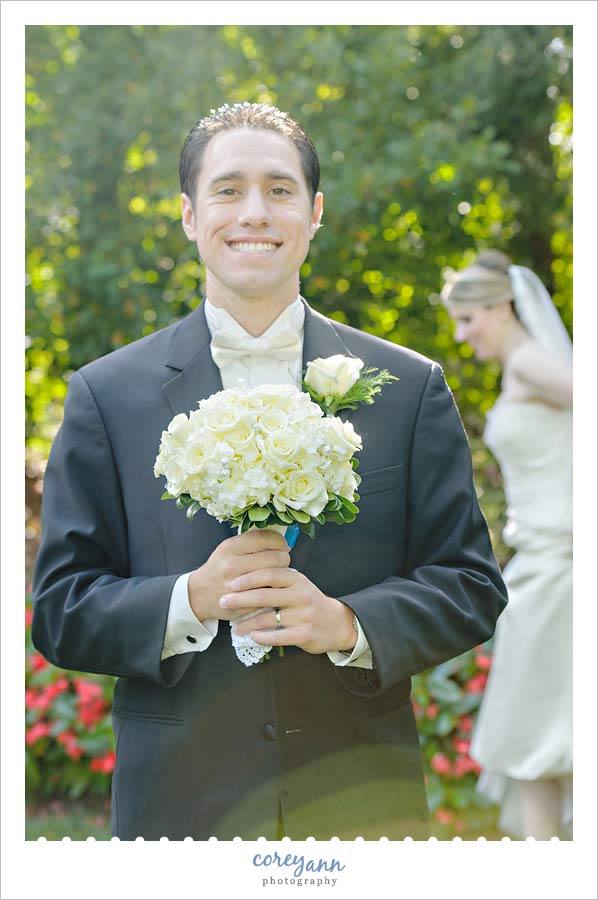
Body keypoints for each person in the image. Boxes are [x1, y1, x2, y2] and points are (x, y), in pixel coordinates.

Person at [32, 103, 507, 841]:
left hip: (362, 807)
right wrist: (190, 598)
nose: (255, 211)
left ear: (313, 213)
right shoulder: (107, 395)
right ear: (190, 215)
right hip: (179, 813)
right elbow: (62, 610)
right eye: (228, 189)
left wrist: (348, 624)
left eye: (280, 189)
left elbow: (470, 583)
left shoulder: (408, 388)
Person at [442, 249, 573, 840]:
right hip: (540, 566)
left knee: (540, 733)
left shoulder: (528, 366)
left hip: (561, 569)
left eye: (468, 320)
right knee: (538, 732)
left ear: (500, 306)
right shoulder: (522, 368)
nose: (462, 336)